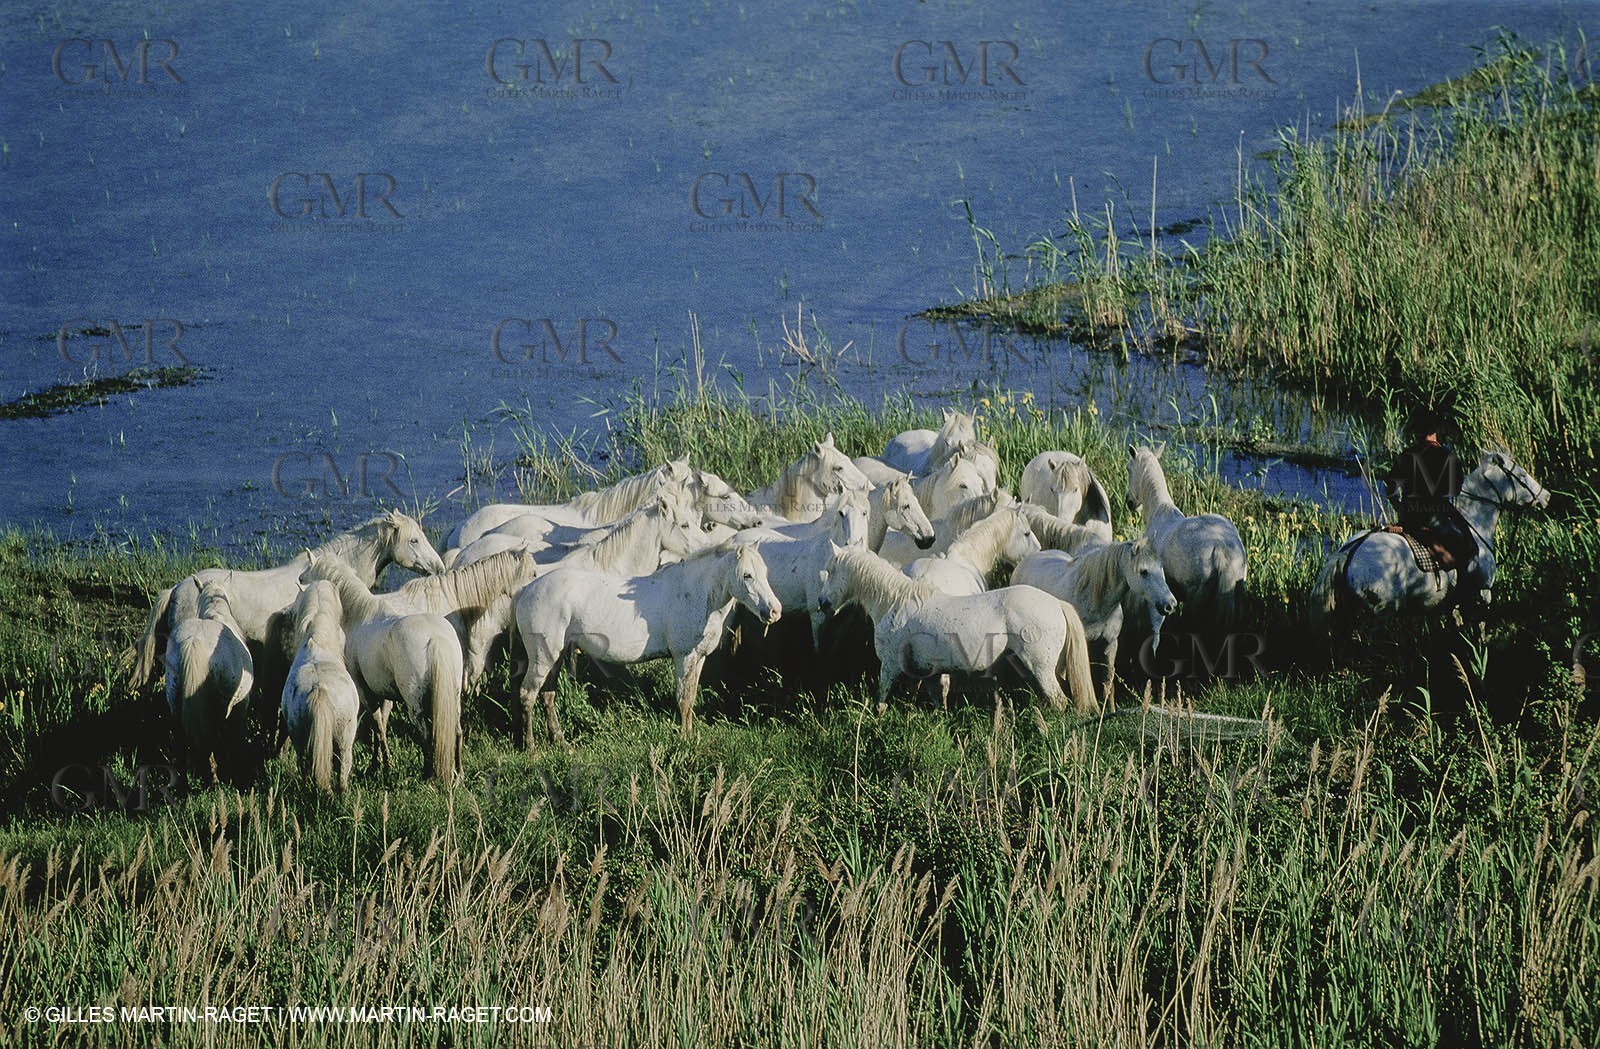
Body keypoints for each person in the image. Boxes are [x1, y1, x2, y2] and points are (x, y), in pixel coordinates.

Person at [1383, 406, 1478, 573]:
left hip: (1408, 516)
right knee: (1468, 546)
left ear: (1416, 432)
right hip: (1433, 516)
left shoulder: (1406, 454)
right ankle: (1464, 593)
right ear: (1435, 431)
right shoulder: (1447, 455)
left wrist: (1399, 507)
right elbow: (1455, 491)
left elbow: (1390, 488)